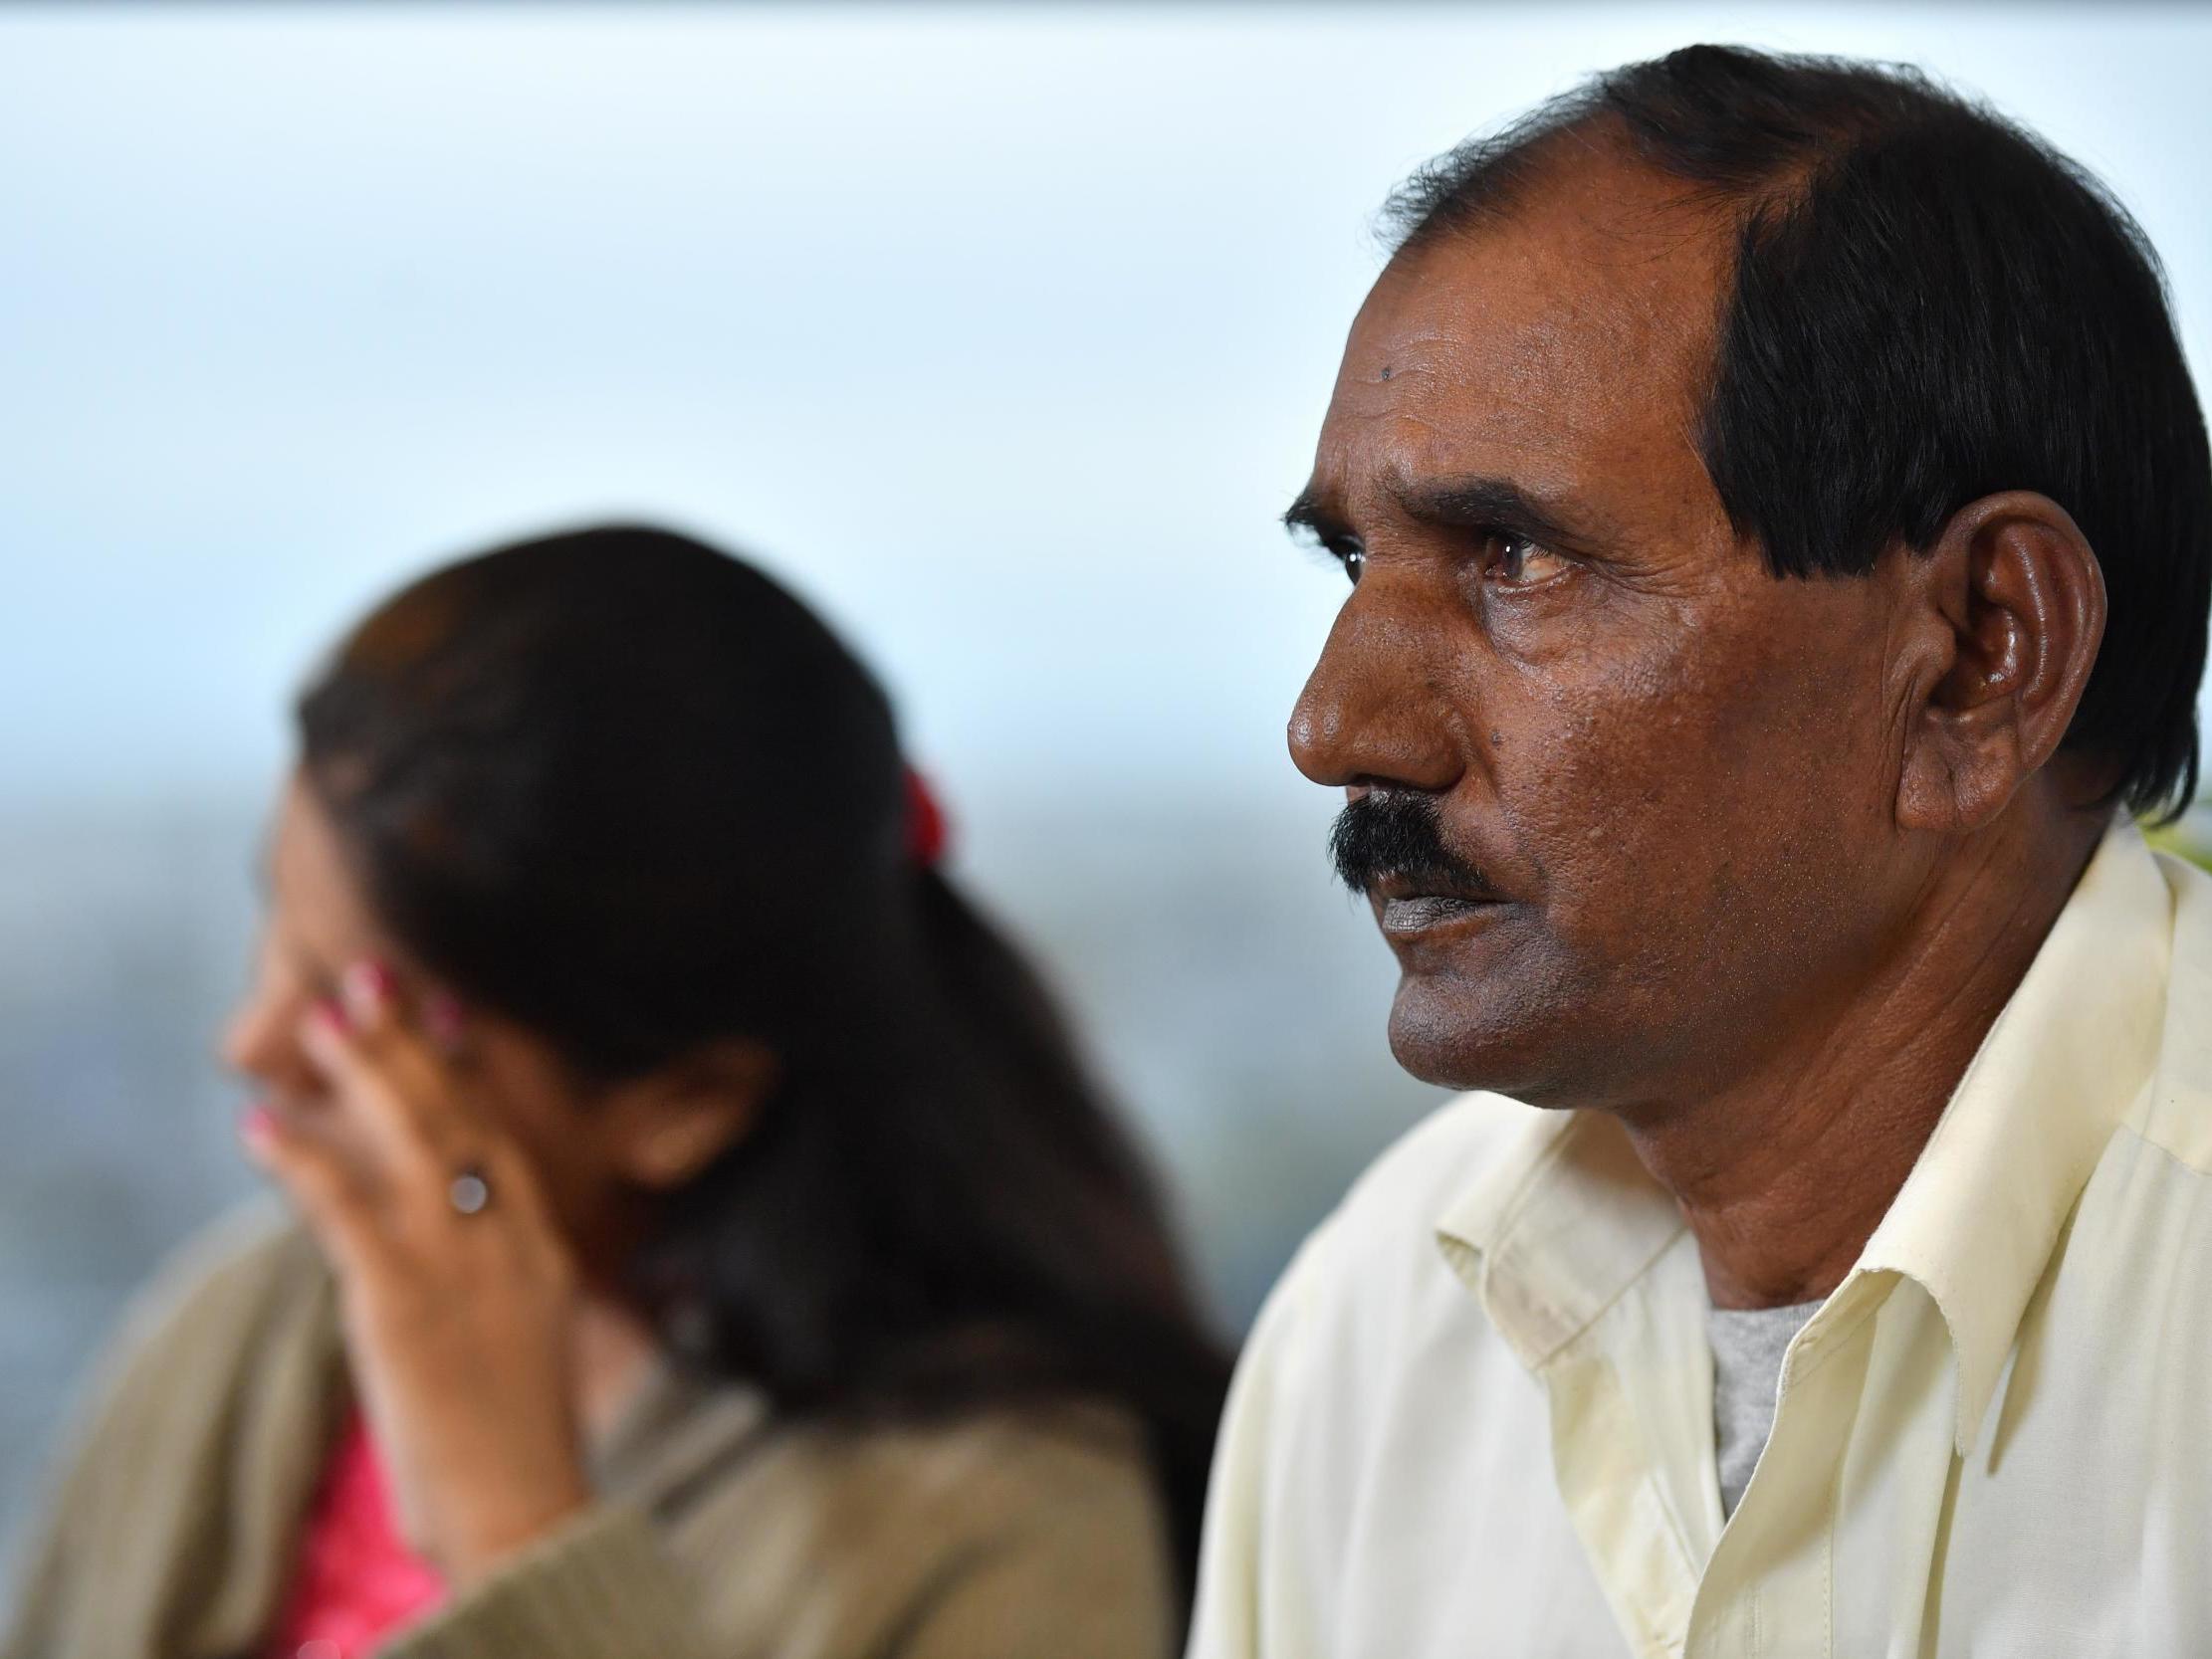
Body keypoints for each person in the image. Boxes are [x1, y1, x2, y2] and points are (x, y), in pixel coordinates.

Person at [1189, 45, 2212, 1659]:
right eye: (1350, 562)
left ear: (1975, 654)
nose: (1334, 727)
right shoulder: (1374, 1336)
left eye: (1512, 558)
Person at [5, 524, 1229, 1659]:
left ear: (684, 1099)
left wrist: (512, 1527)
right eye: (275, 925)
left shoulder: (1011, 1520)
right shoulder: (251, 1327)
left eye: (363, 1007)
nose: (252, 1041)